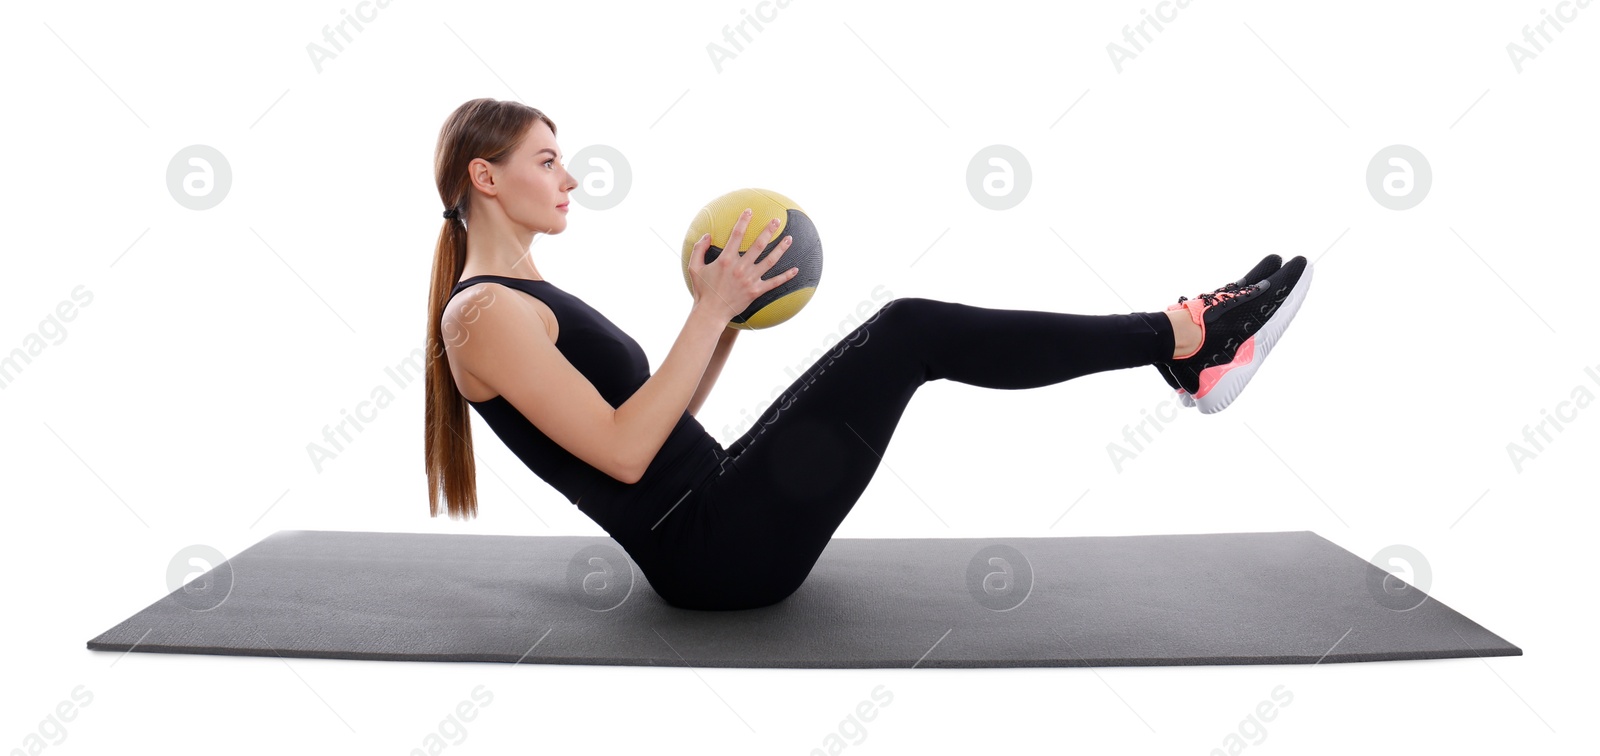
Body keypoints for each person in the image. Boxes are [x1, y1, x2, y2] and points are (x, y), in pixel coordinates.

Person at [422, 99, 1313, 610]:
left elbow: (655, 429)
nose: (569, 177)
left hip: (717, 512)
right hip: (716, 554)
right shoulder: (484, 317)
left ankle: (1184, 342)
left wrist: (722, 322)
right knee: (910, 329)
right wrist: (708, 310)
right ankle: (1187, 338)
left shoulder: (521, 299)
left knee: (906, 330)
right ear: (486, 177)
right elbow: (622, 454)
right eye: (546, 160)